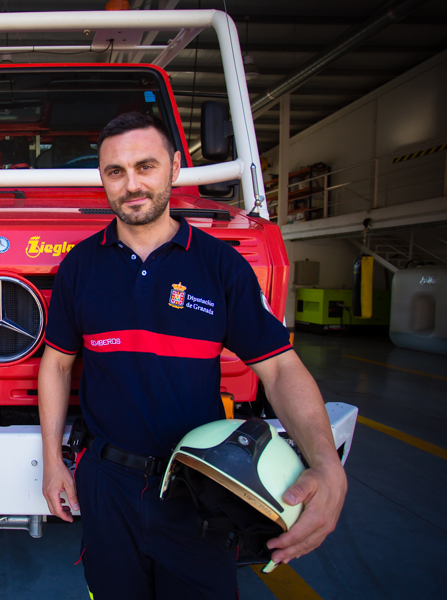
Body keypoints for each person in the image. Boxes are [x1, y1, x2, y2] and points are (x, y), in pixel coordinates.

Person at [38, 112, 347, 599]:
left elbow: (280, 366)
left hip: (197, 488)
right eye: (115, 172)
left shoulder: (220, 265)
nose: (131, 184)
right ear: (102, 178)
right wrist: (52, 460)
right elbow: (56, 364)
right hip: (106, 484)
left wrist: (327, 463)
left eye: (146, 166)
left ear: (175, 167)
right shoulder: (80, 266)